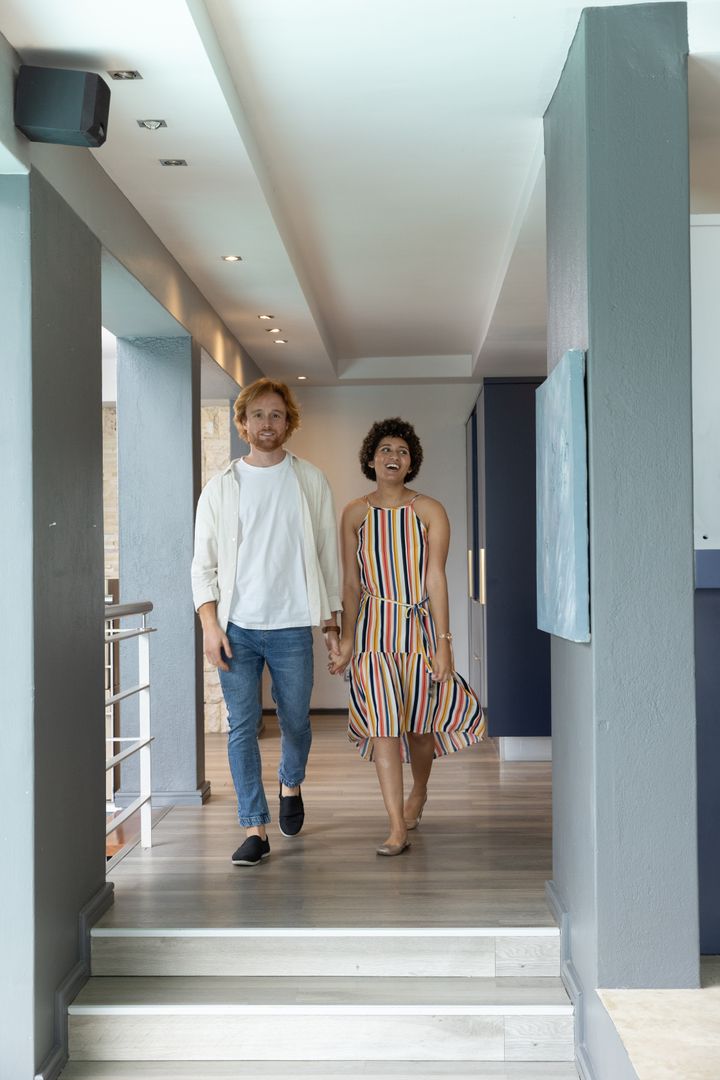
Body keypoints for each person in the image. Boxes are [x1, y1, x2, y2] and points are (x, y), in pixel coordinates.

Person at [192, 378, 342, 867]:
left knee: (296, 721)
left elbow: (325, 555)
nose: (266, 423)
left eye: (276, 414)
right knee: (242, 726)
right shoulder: (220, 488)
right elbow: (203, 565)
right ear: (242, 423)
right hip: (236, 626)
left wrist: (331, 621)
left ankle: (290, 783)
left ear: (288, 422)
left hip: (294, 623)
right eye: (257, 415)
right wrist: (210, 625)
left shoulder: (310, 480)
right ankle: (254, 827)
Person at [329, 418, 486, 856]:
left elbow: (436, 578)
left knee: (418, 731)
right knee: (384, 729)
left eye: (401, 450)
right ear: (371, 460)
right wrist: (345, 640)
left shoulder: (429, 510)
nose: (392, 456)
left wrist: (444, 642)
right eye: (384, 449)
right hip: (372, 636)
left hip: (417, 634)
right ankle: (396, 825)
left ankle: (419, 791)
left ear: (411, 460)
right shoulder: (355, 513)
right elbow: (350, 584)